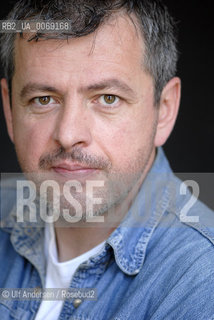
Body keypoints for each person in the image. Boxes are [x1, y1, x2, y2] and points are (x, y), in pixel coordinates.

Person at [0, 0, 214, 319]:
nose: (69, 134)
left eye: (107, 98)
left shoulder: (200, 281)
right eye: (43, 99)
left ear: (164, 109)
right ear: (10, 110)